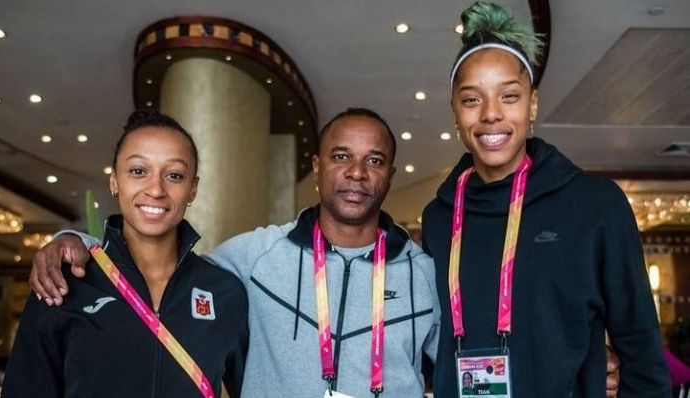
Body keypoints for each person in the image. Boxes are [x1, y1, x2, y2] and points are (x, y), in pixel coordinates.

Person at [29, 108, 440, 397]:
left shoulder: (424, 273)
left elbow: (460, 369)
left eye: (374, 160)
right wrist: (78, 240)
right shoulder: (252, 258)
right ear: (316, 167)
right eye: (340, 156)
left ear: (390, 174)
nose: (356, 172)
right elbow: (164, 267)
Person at [421, 2, 670, 397]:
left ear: (532, 104)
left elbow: (641, 350)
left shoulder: (595, 205)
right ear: (454, 112)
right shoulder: (438, 217)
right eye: (471, 99)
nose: (490, 114)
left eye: (509, 96)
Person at [3, 110, 248, 397]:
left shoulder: (224, 292)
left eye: (174, 175)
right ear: (114, 180)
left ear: (192, 189)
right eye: (138, 171)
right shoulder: (61, 282)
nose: (156, 189)